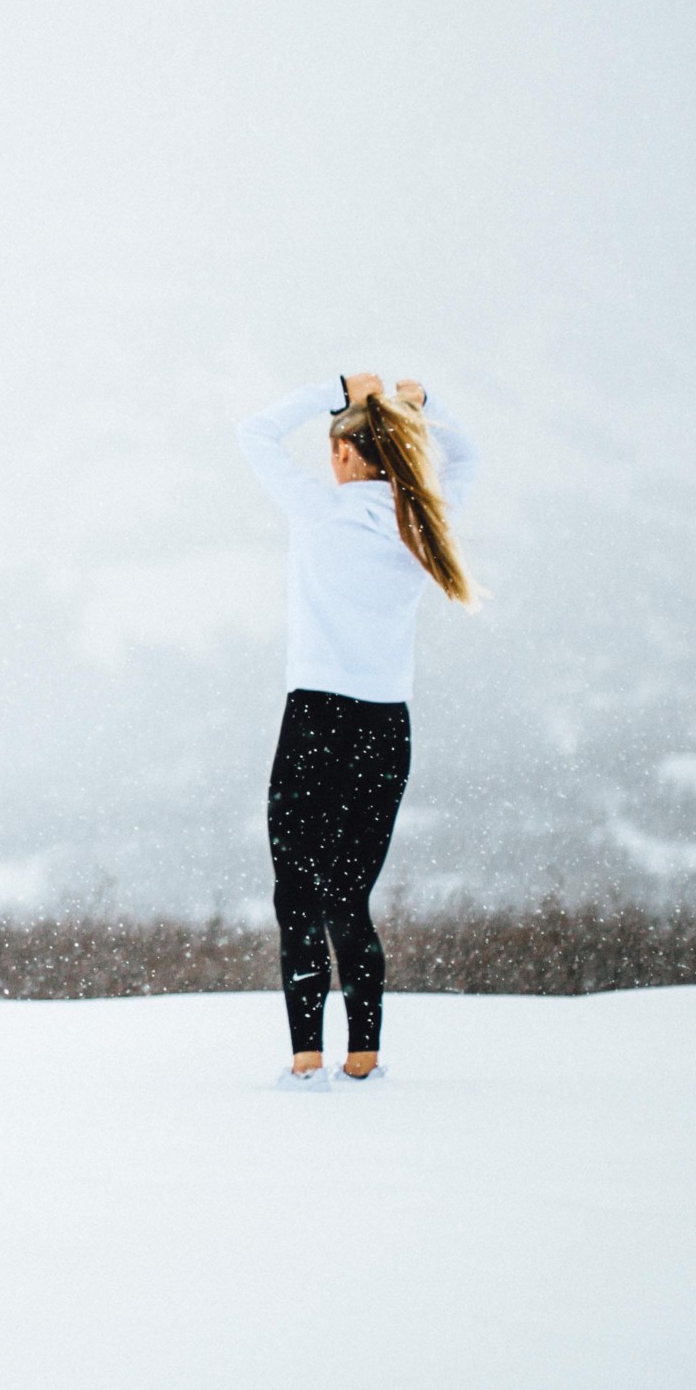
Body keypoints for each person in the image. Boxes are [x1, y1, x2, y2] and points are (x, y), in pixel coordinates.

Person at [236, 372, 479, 1088]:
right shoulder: (418, 521)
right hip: (384, 726)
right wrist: (422, 403)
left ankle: (307, 1056)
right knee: (349, 894)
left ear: (345, 456)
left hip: (315, 718)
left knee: (298, 892)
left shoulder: (318, 511)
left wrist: (335, 386)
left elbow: (252, 432)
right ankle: (364, 1053)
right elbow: (468, 458)